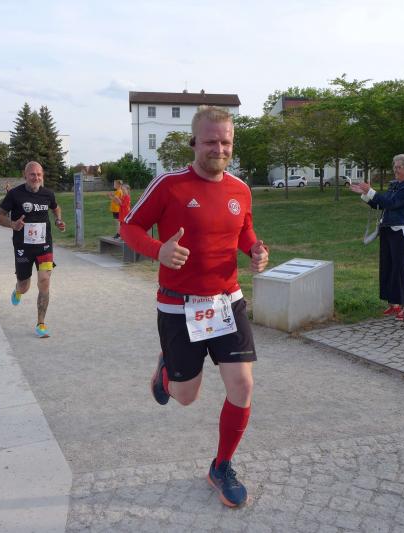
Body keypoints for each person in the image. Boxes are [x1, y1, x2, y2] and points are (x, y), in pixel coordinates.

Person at [121, 106, 269, 508]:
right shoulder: (169, 185)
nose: (219, 149)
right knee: (186, 397)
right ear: (194, 142)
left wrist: (255, 250)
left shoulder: (240, 189)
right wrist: (158, 250)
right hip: (179, 307)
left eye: (226, 142)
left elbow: (245, 230)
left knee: (243, 385)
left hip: (226, 302)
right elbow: (129, 226)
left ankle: (221, 466)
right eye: (210, 141)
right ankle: (167, 371)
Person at [0, 161, 66, 338]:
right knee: (24, 286)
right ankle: (18, 290)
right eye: (32, 174)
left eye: (39, 174)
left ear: (42, 176)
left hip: (44, 245)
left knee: (44, 281)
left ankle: (41, 323)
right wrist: (12, 224)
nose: (36, 178)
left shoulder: (48, 194)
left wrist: (58, 220)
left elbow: (56, 207)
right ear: (25, 175)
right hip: (23, 247)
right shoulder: (14, 194)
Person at [350, 155, 404, 320]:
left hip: (401, 230)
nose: (396, 170)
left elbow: (393, 203)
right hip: (387, 229)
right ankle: (394, 304)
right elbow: (381, 204)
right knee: (388, 267)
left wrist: (371, 191)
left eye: (399, 167)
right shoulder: (394, 184)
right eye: (395, 166)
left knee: (399, 269)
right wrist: (366, 194)